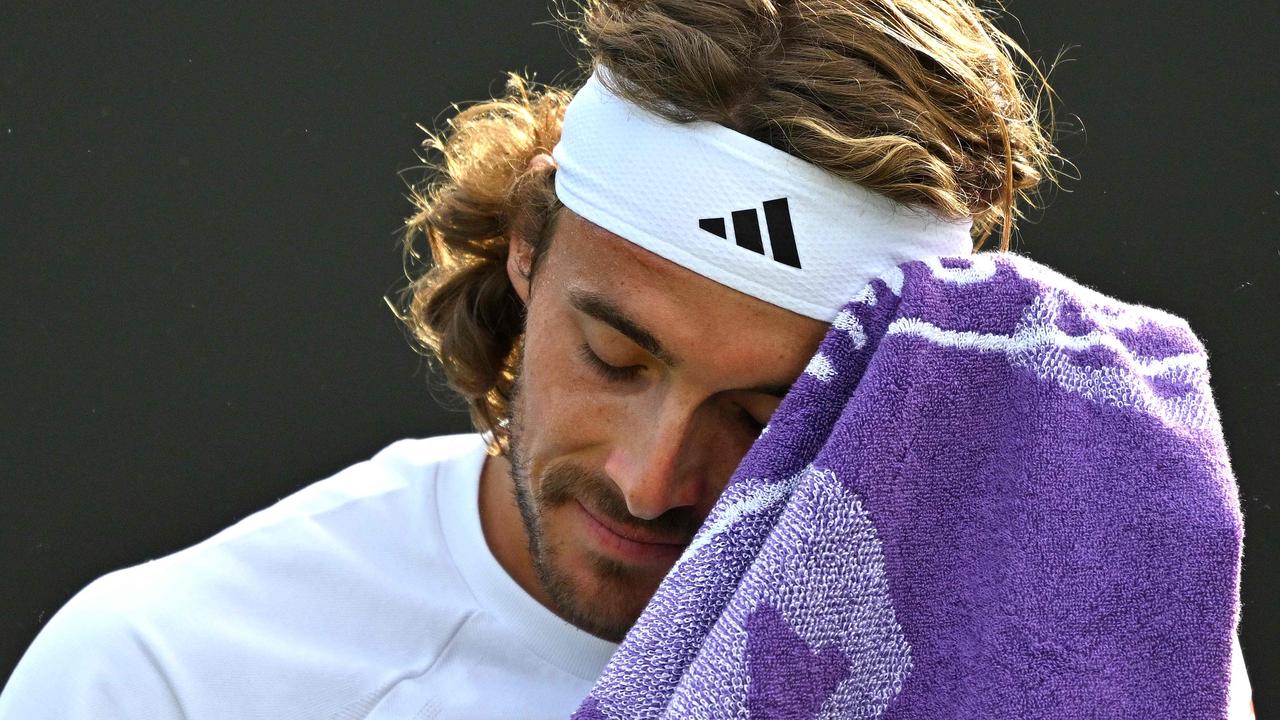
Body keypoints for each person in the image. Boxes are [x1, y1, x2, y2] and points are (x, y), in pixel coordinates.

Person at [0, 0, 1253, 718]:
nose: (655, 481)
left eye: (768, 412)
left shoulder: (1079, 666)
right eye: (617, 355)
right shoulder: (159, 678)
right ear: (526, 251)